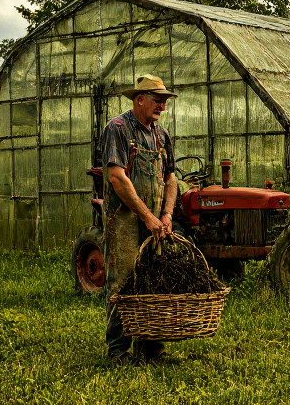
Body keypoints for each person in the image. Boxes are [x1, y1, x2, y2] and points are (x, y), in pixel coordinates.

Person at [100, 74, 178, 364]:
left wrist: (167, 215)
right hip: (124, 220)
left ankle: (151, 349)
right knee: (122, 282)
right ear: (139, 99)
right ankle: (119, 351)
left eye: (165, 101)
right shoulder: (117, 128)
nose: (162, 106)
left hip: (156, 221)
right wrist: (147, 216)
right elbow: (117, 178)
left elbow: (171, 178)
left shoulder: (162, 135)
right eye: (157, 100)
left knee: (153, 279)